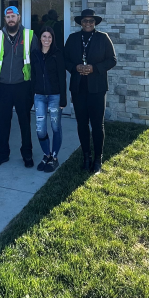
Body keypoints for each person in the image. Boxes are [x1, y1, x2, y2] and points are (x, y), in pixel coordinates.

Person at [64, 9, 117, 174]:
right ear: (81, 22)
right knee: (81, 123)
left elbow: (112, 60)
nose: (88, 23)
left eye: (91, 21)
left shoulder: (103, 38)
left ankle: (98, 158)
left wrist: (94, 68)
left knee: (97, 124)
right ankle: (86, 156)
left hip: (97, 88)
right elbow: (65, 59)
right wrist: (75, 67)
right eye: (85, 21)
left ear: (95, 23)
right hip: (79, 88)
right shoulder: (73, 38)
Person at [0, 6, 36, 168]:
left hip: (23, 85)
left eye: (13, 16)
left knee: (25, 121)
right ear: (5, 19)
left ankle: (27, 154)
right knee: (3, 122)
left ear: (19, 17)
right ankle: (2, 154)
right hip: (2, 86)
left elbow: (35, 60)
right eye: (8, 17)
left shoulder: (29, 35)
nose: (10, 19)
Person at [32, 26, 66, 172]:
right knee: (40, 129)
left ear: (53, 39)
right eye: (44, 36)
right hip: (39, 96)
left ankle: (54, 157)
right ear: (40, 38)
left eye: (49, 37)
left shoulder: (57, 54)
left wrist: (63, 99)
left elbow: (62, 77)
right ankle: (46, 155)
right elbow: (32, 76)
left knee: (55, 127)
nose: (47, 39)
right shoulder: (34, 54)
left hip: (54, 96)